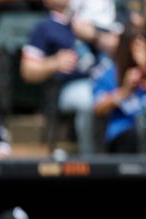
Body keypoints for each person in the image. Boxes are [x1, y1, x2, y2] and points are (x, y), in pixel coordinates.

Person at [20, 0, 100, 155]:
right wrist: (54, 63)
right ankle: (90, 158)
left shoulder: (88, 21)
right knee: (89, 99)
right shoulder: (44, 27)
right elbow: (27, 71)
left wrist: (96, 36)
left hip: (102, 81)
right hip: (67, 88)